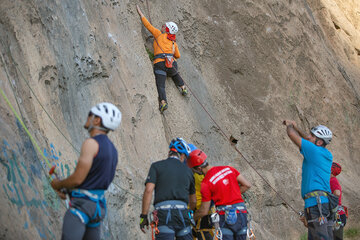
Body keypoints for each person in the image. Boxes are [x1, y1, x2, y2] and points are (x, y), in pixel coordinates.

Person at [50, 102, 122, 240]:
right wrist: (69, 190)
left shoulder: (91, 143)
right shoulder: (113, 150)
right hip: (98, 208)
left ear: (97, 120)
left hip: (82, 207)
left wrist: (58, 185)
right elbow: (95, 180)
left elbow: (78, 178)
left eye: (90, 114)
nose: (87, 117)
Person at [283, 121, 333, 240]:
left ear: (319, 142)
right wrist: (297, 126)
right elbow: (307, 138)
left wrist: (290, 125)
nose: (308, 137)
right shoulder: (325, 153)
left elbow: (291, 134)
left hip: (316, 204)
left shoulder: (314, 151)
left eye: (312, 135)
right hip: (321, 203)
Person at [140, 138, 196, 240]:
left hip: (163, 214)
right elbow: (193, 201)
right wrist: (190, 213)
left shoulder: (156, 166)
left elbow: (148, 190)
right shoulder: (189, 172)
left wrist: (143, 216)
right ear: (182, 155)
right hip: (182, 215)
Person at [188, 149, 251, 240]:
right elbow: (247, 185)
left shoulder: (206, 183)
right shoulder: (229, 169)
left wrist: (191, 219)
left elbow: (204, 211)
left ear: (198, 169)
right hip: (241, 213)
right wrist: (230, 194)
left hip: (224, 215)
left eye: (194, 170)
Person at [136, 5, 188, 113]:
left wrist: (141, 14)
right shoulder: (173, 42)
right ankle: (182, 87)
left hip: (160, 63)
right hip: (171, 65)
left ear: (166, 29)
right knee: (174, 73)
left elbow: (148, 26)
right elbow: (178, 56)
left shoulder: (159, 34)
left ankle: (163, 102)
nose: (162, 26)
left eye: (164, 26)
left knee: (161, 85)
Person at [330, 162, 347, 240]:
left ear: (331, 170)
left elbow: (337, 193)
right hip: (338, 215)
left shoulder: (332, 180)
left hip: (338, 216)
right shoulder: (332, 180)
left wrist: (330, 201)